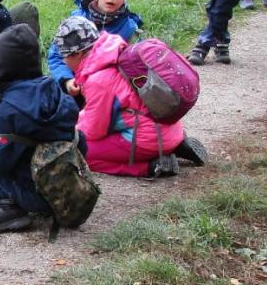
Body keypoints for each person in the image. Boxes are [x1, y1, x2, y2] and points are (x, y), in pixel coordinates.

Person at [0, 20, 82, 233]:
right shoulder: (54, 89)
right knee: (3, 136)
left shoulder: (11, 109)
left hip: (39, 197)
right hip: (67, 188)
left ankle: (9, 206)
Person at [60, 17, 207, 178]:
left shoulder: (98, 79)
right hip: (169, 128)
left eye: (65, 55)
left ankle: (150, 166)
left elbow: (94, 131)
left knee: (78, 152)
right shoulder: (111, 52)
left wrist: (68, 131)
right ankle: (175, 146)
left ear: (78, 53)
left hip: (150, 139)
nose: (64, 61)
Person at [46, 0, 143, 91]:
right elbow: (56, 55)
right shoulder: (77, 20)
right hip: (74, 85)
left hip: (108, 90)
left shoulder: (129, 30)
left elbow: (135, 67)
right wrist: (66, 79)